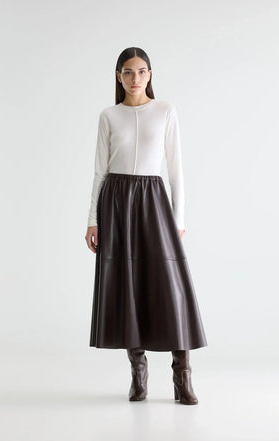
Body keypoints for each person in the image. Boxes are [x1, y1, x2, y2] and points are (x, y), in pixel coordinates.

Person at [84, 47, 207, 405]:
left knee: (171, 286)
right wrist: (92, 220)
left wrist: (178, 219)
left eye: (140, 71)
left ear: (150, 74)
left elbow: (176, 169)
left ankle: (182, 376)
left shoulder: (165, 111)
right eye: (127, 72)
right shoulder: (109, 116)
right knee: (128, 285)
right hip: (116, 202)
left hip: (154, 201)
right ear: (118, 77)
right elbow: (99, 171)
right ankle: (138, 375)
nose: (134, 78)